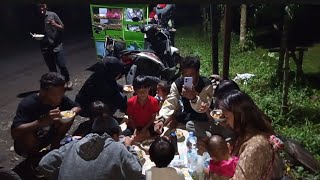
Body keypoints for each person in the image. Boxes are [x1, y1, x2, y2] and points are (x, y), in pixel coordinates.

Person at [198, 90, 284, 180]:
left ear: (240, 116)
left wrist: (212, 174)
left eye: (227, 117)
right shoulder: (246, 135)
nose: (226, 122)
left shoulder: (255, 146)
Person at [38, 112, 142, 180]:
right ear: (115, 135)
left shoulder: (73, 145)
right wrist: (128, 148)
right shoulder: (118, 149)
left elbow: (44, 164)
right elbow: (136, 172)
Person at [11, 72, 81, 158]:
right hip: (29, 143)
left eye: (61, 94)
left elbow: (77, 107)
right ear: (43, 92)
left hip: (49, 136)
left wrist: (71, 113)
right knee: (26, 133)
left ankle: (55, 146)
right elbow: (15, 132)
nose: (59, 98)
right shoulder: (28, 103)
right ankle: (33, 157)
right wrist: (41, 122)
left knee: (70, 116)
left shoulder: (61, 98)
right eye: (55, 95)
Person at [154, 56, 213, 138]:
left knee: (191, 127)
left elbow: (202, 108)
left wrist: (193, 98)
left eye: (191, 74)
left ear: (197, 73)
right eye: (185, 74)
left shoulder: (206, 85)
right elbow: (170, 102)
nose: (188, 78)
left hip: (203, 118)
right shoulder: (178, 84)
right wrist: (162, 119)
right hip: (187, 115)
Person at [37, 2, 73, 89]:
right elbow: (35, 30)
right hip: (45, 47)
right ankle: (58, 84)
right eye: (39, 7)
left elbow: (62, 27)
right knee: (52, 69)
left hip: (57, 46)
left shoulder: (52, 15)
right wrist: (35, 36)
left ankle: (67, 81)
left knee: (62, 65)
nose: (41, 9)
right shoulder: (36, 17)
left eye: (43, 6)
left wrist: (55, 24)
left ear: (46, 6)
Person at [123, 75, 161, 140]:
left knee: (159, 130)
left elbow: (153, 117)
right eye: (140, 92)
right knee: (123, 137)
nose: (142, 94)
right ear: (135, 91)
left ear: (149, 88)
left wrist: (145, 128)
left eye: (145, 91)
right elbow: (130, 117)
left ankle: (142, 136)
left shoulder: (154, 101)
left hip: (147, 126)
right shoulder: (131, 102)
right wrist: (135, 129)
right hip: (133, 126)